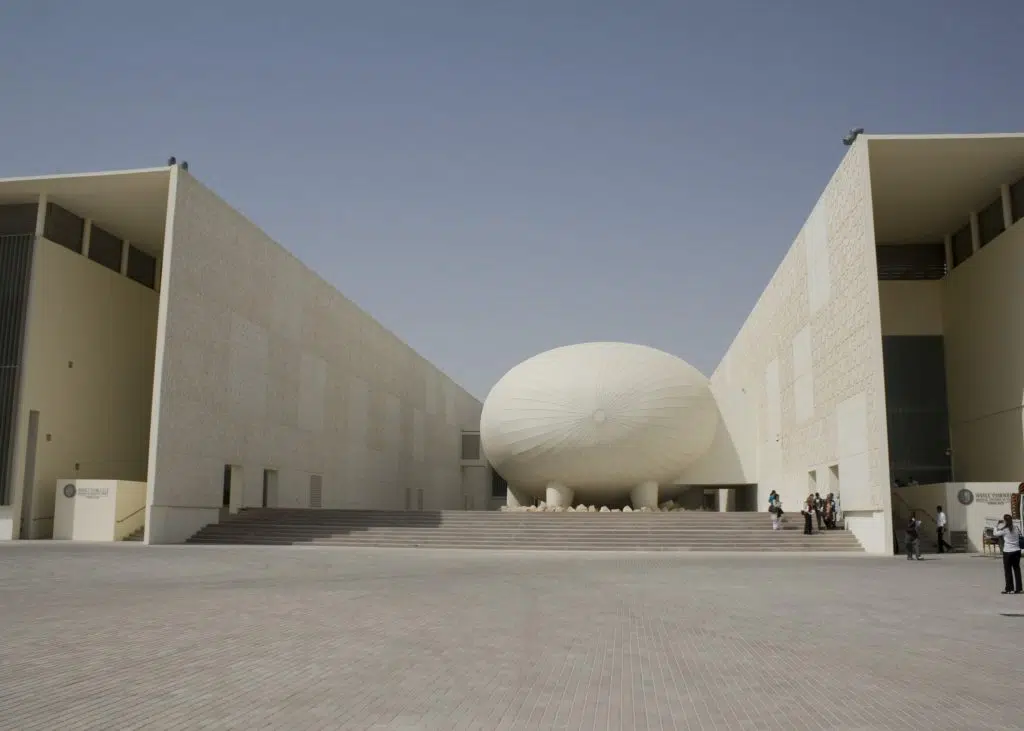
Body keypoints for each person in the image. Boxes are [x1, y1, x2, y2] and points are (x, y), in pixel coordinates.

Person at [993, 514, 1023, 595]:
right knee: (1017, 570)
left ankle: (1009, 589)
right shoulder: (1016, 528)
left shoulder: (1005, 530)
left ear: (1005, 521)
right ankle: (1019, 588)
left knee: (1008, 571)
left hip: (1008, 552)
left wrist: (997, 524)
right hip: (1017, 551)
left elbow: (995, 533)